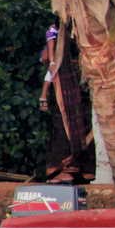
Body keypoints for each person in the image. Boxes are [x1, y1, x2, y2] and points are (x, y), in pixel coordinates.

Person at [38, 23, 93, 184]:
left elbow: (48, 60)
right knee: (82, 125)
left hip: (64, 85)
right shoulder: (86, 33)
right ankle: (79, 170)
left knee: (63, 126)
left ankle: (64, 172)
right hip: (80, 84)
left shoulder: (58, 35)